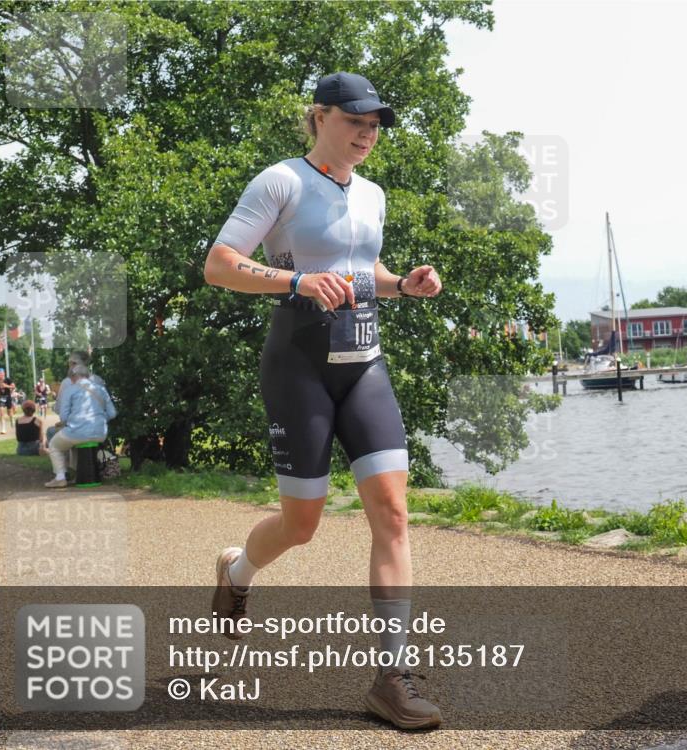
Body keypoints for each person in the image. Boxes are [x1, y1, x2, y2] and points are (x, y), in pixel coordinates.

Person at [204, 72, 443, 729]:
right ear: (319, 117)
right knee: (301, 525)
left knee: (392, 513)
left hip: (364, 364)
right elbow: (220, 264)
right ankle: (238, 569)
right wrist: (298, 281)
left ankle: (392, 678)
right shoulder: (279, 181)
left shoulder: (373, 194)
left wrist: (405, 285)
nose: (367, 133)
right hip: (299, 367)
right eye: (355, 121)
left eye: (375, 125)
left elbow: (363, 273)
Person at [45, 362, 117, 488]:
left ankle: (60, 477)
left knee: (54, 445)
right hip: (100, 432)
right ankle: (81, 474)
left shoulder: (70, 390)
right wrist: (98, 419)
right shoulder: (100, 389)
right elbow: (112, 413)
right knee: (76, 442)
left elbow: (64, 417)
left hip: (78, 431)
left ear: (73, 377)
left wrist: (74, 421)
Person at [0, 369, 15, 434]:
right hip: (1, 397)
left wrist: (6, 386)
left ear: (4, 373)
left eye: (1, 373)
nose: (0, 375)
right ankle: (3, 428)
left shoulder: (8, 380)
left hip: (8, 397)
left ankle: (12, 419)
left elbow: (13, 386)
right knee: (1, 412)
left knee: (9, 413)